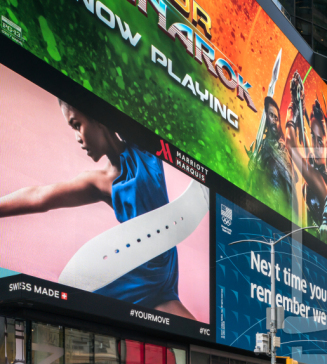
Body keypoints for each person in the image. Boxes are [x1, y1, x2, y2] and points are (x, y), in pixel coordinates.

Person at [0, 100, 196, 319]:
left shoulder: (143, 146)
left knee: (195, 340)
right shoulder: (99, 182)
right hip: (142, 278)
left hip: (163, 272)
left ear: (99, 119)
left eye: (77, 125)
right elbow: (39, 196)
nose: (77, 138)